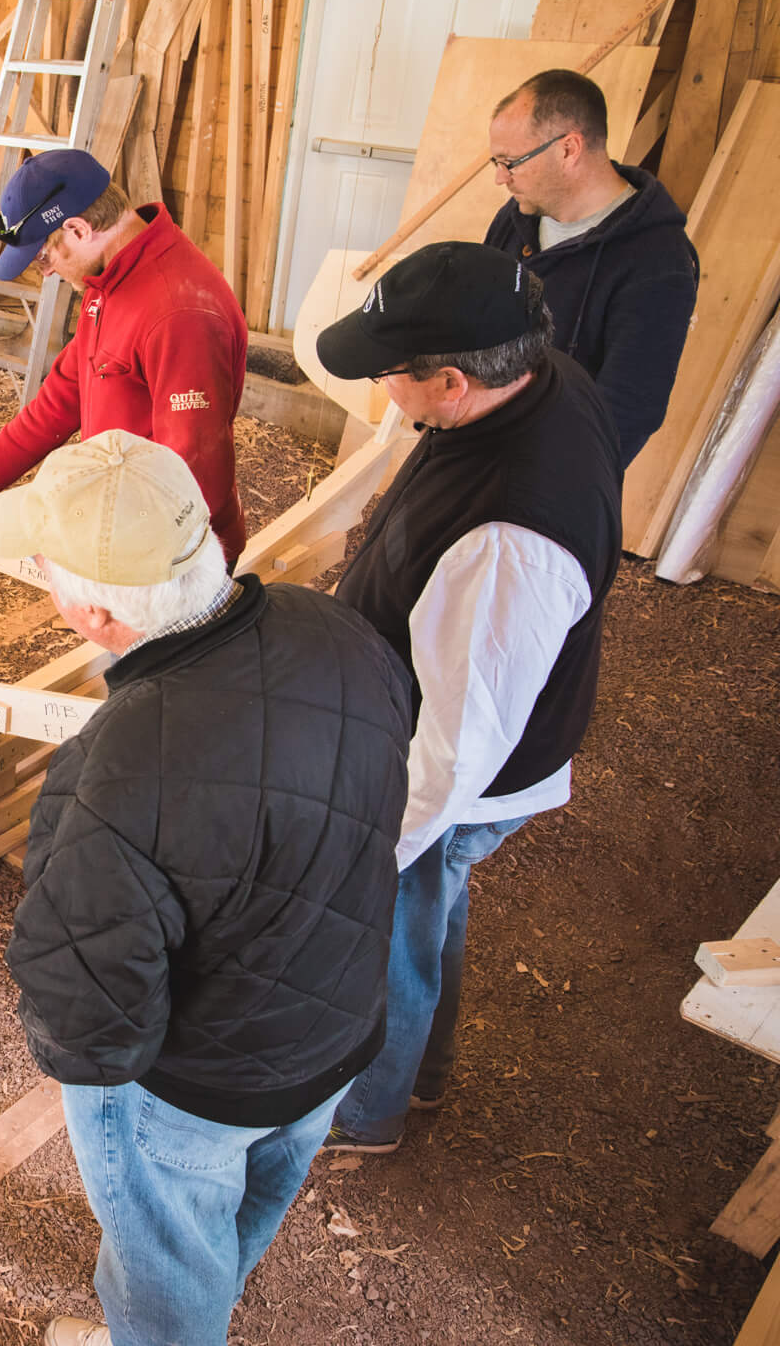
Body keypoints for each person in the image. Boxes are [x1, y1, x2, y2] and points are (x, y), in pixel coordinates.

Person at [0, 431, 412, 1346]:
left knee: (168, 1259)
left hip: (202, 1087)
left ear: (96, 614)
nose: (40, 575)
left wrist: (113, 1085)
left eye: (44, 565)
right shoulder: (333, 627)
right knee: (241, 1217)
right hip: (337, 1028)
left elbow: (86, 1011)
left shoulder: (115, 770)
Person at [312, 242, 622, 1155]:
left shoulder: (508, 538)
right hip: (450, 730)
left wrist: (370, 850)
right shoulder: (539, 374)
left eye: (389, 375)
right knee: (432, 907)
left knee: (394, 924)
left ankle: (369, 1112)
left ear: (452, 382)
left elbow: (458, 748)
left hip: (451, 770)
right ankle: (426, 1073)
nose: (382, 391)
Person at [0, 149, 248, 566]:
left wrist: (93, 555)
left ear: (79, 229)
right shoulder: (108, 282)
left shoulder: (178, 313)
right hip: (121, 529)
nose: (46, 272)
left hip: (173, 562)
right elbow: (59, 402)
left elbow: (193, 474)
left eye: (43, 257)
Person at [483, 68, 698, 469]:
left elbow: (628, 410)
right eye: (497, 162)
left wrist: (543, 483)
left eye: (511, 162)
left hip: (548, 477)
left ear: (569, 149)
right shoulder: (515, 221)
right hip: (484, 451)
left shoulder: (658, 263)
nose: (500, 177)